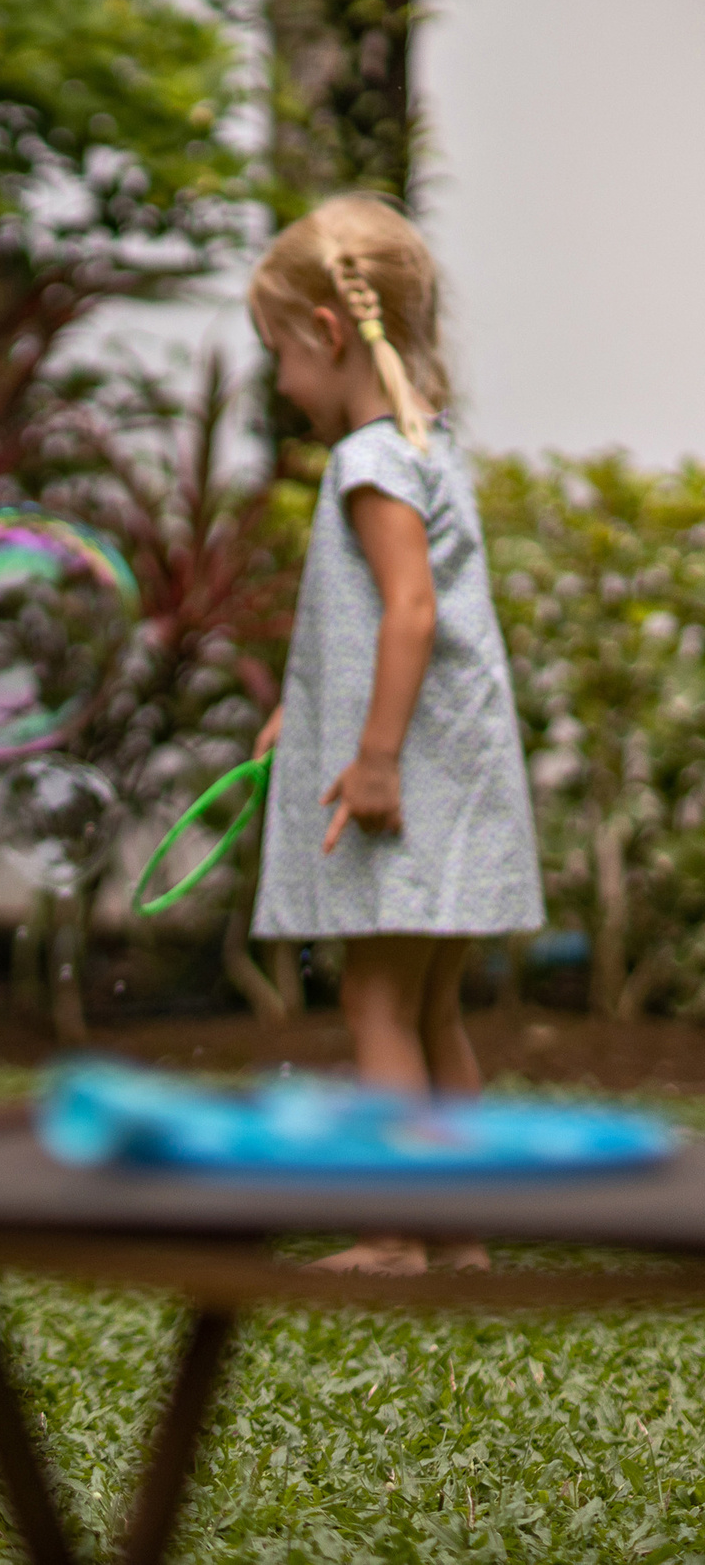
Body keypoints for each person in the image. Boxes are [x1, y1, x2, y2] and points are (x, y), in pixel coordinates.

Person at [247, 194, 543, 1274]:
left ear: (325, 331)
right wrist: (310, 707)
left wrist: (369, 756)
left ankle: (388, 1237)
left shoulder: (367, 460)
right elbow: (393, 621)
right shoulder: (428, 445)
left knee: (373, 998)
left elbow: (409, 609)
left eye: (276, 351)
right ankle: (455, 1235)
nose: (280, 384)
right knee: (431, 1008)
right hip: (452, 772)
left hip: (404, 778)